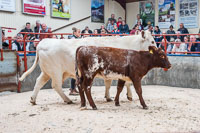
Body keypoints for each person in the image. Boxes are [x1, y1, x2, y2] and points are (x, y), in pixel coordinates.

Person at [69, 27, 81, 95]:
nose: (80, 33)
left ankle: (73, 88)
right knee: (74, 74)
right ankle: (72, 89)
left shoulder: (77, 39)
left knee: (76, 74)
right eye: (78, 32)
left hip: (76, 57)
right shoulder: (73, 39)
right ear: (75, 32)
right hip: (73, 57)